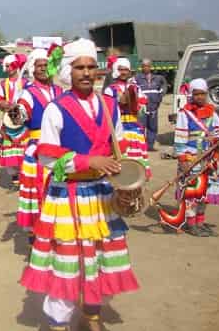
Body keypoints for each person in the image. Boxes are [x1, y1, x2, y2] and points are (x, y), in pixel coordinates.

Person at [20, 39, 139, 331]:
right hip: (68, 197)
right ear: (67, 72)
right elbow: (48, 159)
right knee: (68, 264)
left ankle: (92, 317)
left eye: (91, 67)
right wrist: (89, 162)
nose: (86, 73)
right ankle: (58, 321)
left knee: (101, 260)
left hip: (102, 197)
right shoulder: (55, 109)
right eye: (79, 67)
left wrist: (132, 179)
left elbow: (120, 149)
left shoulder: (110, 106)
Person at [15, 49, 63, 240]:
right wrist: (14, 112)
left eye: (46, 65)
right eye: (39, 66)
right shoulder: (28, 93)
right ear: (33, 70)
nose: (43, 69)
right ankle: (35, 239)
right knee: (37, 193)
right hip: (38, 150)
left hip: (60, 148)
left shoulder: (60, 91)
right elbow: (17, 119)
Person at [167, 78, 219, 236]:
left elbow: (218, 129)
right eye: (197, 94)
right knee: (193, 192)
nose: (200, 97)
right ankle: (191, 223)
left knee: (205, 192)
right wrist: (184, 160)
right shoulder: (184, 114)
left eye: (203, 94)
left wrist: (218, 140)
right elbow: (179, 139)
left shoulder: (211, 111)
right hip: (192, 159)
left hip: (209, 159)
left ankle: (200, 221)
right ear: (192, 95)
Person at [104, 57, 151, 179]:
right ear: (116, 70)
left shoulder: (135, 87)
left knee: (136, 161)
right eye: (121, 69)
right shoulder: (110, 89)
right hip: (119, 129)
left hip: (135, 129)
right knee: (123, 160)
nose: (124, 72)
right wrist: (119, 102)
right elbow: (107, 109)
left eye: (126, 70)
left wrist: (136, 101)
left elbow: (143, 102)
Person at [0, 54, 28, 189]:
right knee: (11, 151)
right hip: (9, 120)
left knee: (25, 150)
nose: (7, 69)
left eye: (9, 66)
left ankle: (26, 177)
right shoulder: (3, 84)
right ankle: (15, 179)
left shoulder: (26, 83)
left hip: (24, 121)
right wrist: (6, 105)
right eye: (6, 66)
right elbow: (0, 101)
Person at [134, 58, 166, 150]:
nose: (146, 68)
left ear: (150, 67)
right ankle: (141, 145)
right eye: (144, 66)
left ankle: (150, 146)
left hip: (153, 108)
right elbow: (133, 91)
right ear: (141, 67)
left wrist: (159, 98)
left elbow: (162, 88)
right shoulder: (137, 78)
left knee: (152, 127)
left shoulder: (157, 78)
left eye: (147, 66)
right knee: (141, 127)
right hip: (142, 109)